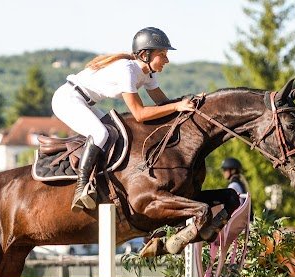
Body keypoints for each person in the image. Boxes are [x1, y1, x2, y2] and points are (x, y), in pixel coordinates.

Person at [52, 27, 196, 212]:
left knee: (117, 133)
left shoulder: (148, 73)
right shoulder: (127, 70)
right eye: (163, 54)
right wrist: (177, 106)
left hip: (85, 101)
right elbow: (140, 114)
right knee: (100, 133)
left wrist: (190, 103)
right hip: (67, 99)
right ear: (145, 55)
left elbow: (162, 102)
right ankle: (82, 187)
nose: (167, 60)